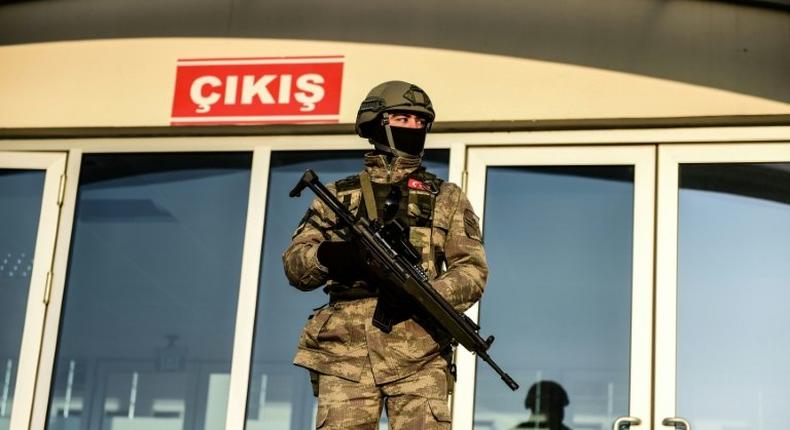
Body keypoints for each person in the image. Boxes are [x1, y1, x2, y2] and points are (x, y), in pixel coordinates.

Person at [283, 80, 488, 429]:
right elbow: (296, 265)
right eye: (402, 118)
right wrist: (338, 256)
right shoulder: (337, 196)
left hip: (419, 351)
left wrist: (424, 295)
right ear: (377, 122)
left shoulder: (447, 197)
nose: (413, 127)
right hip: (344, 355)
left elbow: (471, 272)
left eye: (419, 122)